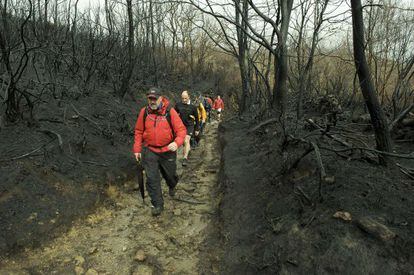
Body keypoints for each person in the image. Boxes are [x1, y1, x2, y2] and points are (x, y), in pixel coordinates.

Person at [133, 87, 186, 216]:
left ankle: (172, 184)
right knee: (151, 179)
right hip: (150, 150)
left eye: (154, 99)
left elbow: (181, 130)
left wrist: (177, 142)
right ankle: (157, 204)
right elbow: (139, 131)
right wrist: (137, 149)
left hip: (168, 150)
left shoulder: (170, 112)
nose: (152, 101)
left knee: (170, 175)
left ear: (161, 98)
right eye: (150, 99)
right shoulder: (144, 112)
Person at [174, 90, 199, 166]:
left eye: (185, 98)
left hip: (189, 126)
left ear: (189, 97)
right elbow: (173, 115)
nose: (184, 100)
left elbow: (197, 118)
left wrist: (197, 129)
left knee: (186, 140)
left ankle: (185, 158)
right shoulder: (178, 105)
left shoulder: (193, 107)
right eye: (182, 98)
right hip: (180, 126)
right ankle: (187, 150)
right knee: (182, 143)